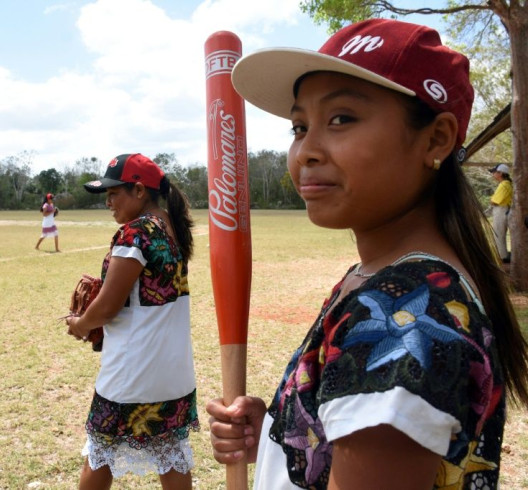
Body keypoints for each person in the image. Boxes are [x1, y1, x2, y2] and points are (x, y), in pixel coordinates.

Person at [206, 18, 528, 489]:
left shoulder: (407, 318)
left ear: (436, 139)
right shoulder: (384, 280)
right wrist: (286, 433)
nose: (306, 151)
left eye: (341, 119)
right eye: (300, 126)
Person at [65, 153, 199, 489]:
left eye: (114, 193)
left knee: (100, 455)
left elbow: (107, 307)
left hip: (133, 372)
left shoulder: (134, 234)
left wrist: (81, 324)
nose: (108, 202)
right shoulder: (172, 227)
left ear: (139, 190)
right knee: (171, 457)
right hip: (173, 371)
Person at [489, 163, 512, 263]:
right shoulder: (506, 184)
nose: (493, 174)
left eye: (494, 172)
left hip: (501, 210)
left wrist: (492, 200)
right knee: (500, 234)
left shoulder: (504, 185)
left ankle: (502, 257)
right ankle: (503, 255)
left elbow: (494, 201)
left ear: (501, 173)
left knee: (499, 234)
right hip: (503, 210)